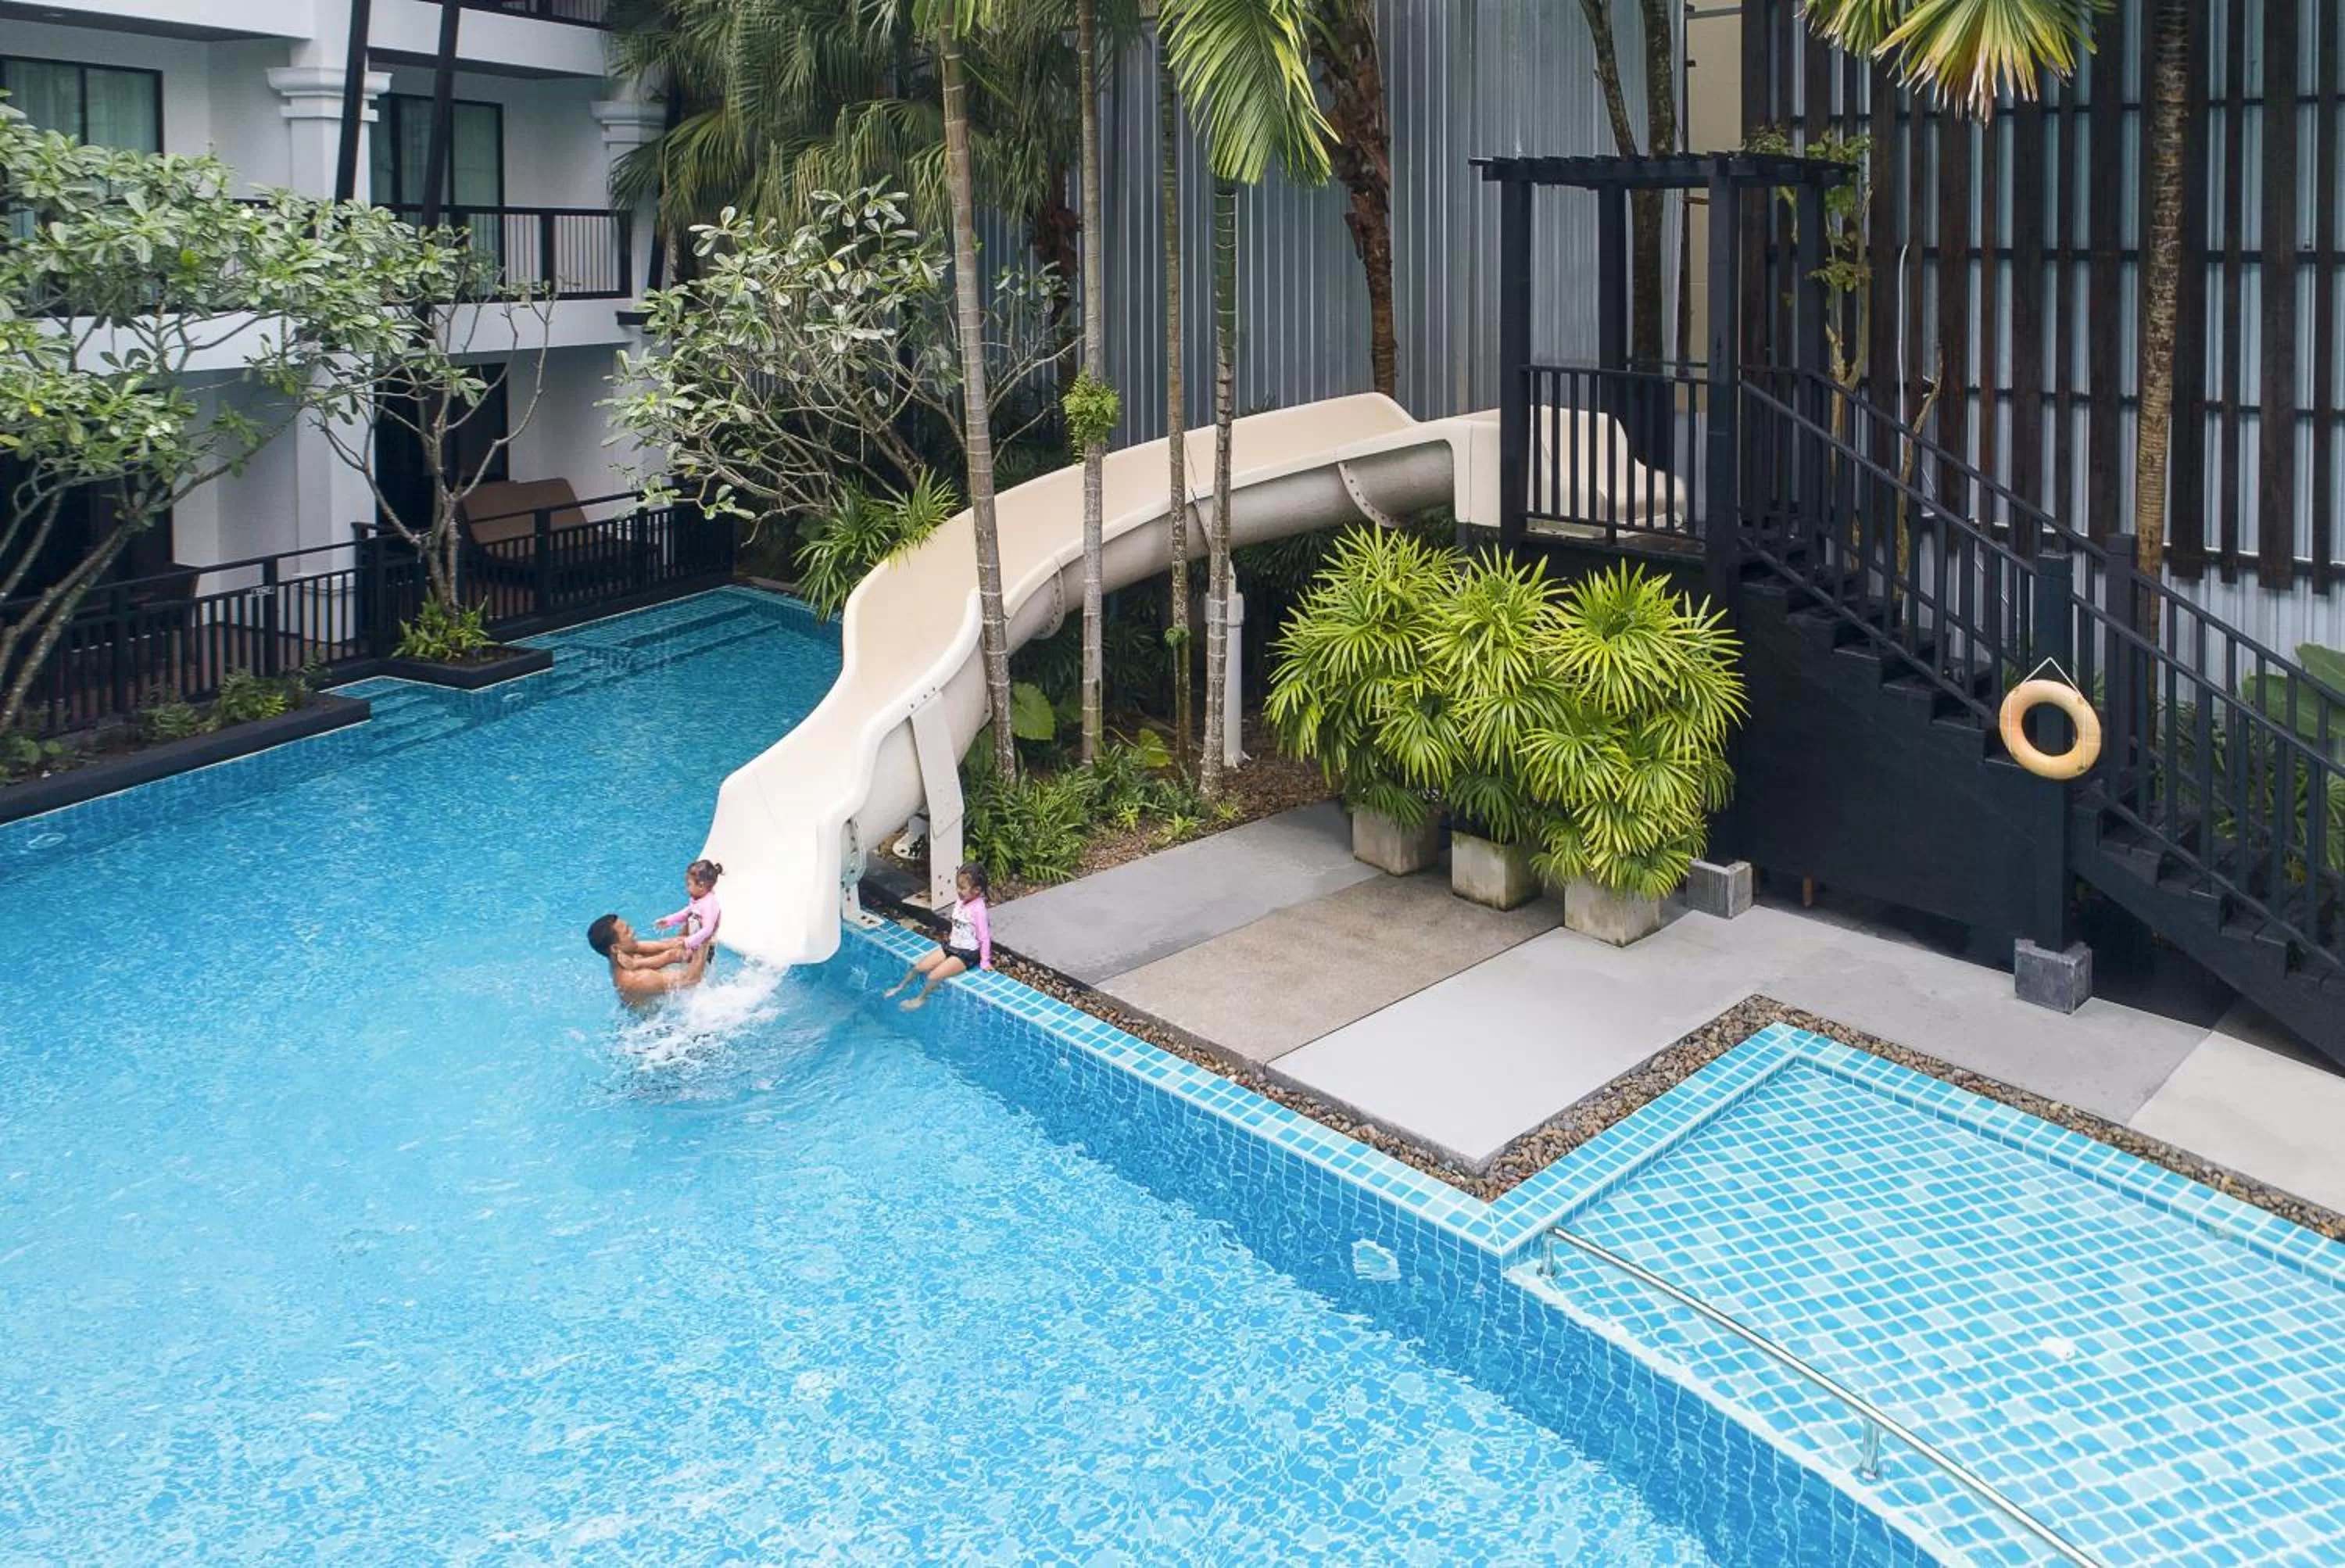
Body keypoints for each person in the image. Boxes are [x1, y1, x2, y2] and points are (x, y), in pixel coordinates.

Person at [883, 862, 991, 1010]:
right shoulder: (961, 901)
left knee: (933, 976)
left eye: (963, 888)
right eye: (957, 886)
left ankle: (920, 999)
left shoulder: (979, 910)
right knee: (919, 967)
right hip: (952, 946)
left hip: (967, 954)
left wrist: (985, 961)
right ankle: (900, 987)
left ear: (977, 890)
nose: (958, 891)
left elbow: (984, 938)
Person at [588, 913, 708, 1005]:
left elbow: (668, 945)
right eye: (627, 932)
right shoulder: (638, 980)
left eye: (628, 926)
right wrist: (705, 937)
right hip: (659, 1028)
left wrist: (692, 917)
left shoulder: (625, 950)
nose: (633, 930)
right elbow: (692, 979)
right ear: (615, 947)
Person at [654, 859, 723, 965]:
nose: (686, 889)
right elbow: (686, 912)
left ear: (701, 886)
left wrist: (687, 943)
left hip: (704, 949)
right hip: (694, 942)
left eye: (689, 884)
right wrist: (668, 921)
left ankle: (639, 965)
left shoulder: (709, 904)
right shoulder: (699, 899)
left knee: (670, 955)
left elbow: (707, 930)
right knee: (665, 945)